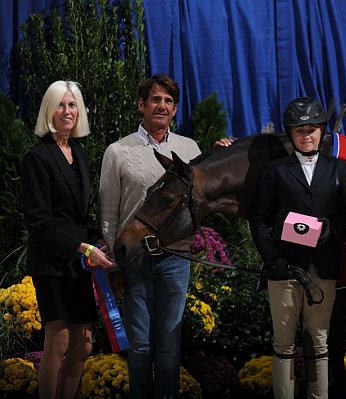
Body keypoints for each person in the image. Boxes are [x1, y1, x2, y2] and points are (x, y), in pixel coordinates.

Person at [99, 74, 201, 398]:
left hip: (175, 261)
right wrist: (113, 265)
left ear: (175, 110)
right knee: (140, 347)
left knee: (170, 348)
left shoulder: (190, 150)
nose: (162, 106)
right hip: (134, 263)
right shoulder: (117, 152)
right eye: (156, 99)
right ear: (142, 105)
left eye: (169, 101)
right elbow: (108, 213)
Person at [249, 97, 346, 399]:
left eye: (311, 129)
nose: (306, 136)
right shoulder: (276, 171)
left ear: (322, 131)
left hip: (322, 267)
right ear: (290, 134)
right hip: (285, 268)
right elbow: (260, 221)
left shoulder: (338, 168)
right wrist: (272, 258)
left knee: (319, 343)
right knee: (283, 344)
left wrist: (331, 230)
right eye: (299, 131)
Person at [21, 80, 115, 399]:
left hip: (79, 261)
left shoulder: (80, 154)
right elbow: (40, 222)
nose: (67, 111)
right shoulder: (38, 157)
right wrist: (85, 247)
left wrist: (100, 242)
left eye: (72, 105)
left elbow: (79, 217)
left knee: (84, 344)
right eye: (60, 105)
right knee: (57, 342)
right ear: (49, 110)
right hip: (51, 262)